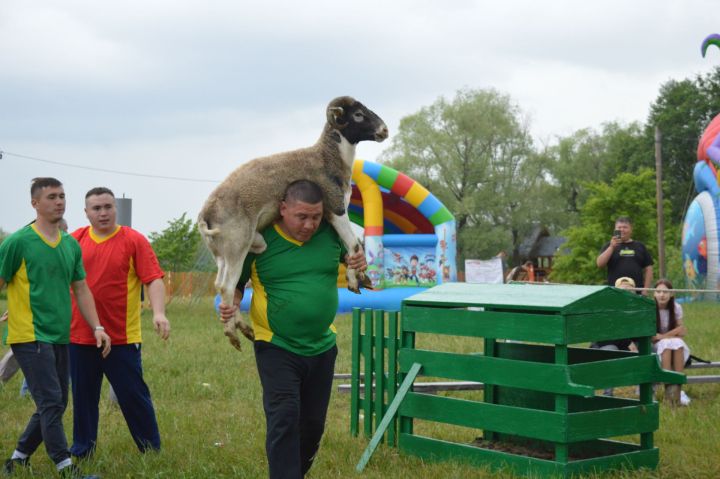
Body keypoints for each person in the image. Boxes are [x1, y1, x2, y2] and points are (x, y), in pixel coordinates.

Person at [219, 180, 366, 479]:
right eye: (301, 216)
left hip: (323, 346)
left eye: (315, 216)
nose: (309, 224)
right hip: (276, 345)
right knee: (284, 417)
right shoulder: (258, 243)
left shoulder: (332, 236)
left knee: (312, 426)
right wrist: (231, 304)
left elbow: (355, 264)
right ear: (282, 209)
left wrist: (360, 261)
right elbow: (234, 285)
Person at [0, 177, 110, 479]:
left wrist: (97, 326)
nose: (59, 201)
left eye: (62, 196)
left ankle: (17, 459)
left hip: (61, 334)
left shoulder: (70, 244)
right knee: (50, 400)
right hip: (29, 334)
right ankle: (65, 465)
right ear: (35, 203)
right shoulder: (18, 243)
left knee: (58, 401)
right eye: (51, 197)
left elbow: (81, 288)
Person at [68, 187, 170, 459]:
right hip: (80, 336)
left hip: (122, 338)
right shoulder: (74, 240)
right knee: (83, 399)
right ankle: (82, 452)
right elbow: (55, 280)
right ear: (86, 212)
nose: (103, 213)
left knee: (133, 396)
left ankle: (150, 449)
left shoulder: (133, 240)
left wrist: (159, 312)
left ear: (116, 209)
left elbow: (153, 279)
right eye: (96, 208)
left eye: (108, 207)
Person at [0, 219, 69, 394]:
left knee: (49, 373)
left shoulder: (64, 251)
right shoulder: (20, 246)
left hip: (54, 324)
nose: (65, 233)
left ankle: (29, 392)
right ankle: (26, 391)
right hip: (30, 326)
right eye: (63, 229)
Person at [653, 279, 691, 406]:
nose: (662, 295)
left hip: (670, 343)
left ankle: (678, 390)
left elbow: (682, 331)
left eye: (665, 292)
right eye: (658, 291)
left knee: (676, 343)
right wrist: (669, 335)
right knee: (668, 344)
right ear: (654, 294)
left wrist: (663, 336)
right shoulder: (650, 308)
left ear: (672, 294)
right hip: (656, 346)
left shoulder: (676, 307)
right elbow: (651, 337)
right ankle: (669, 389)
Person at [596, 216, 653, 296]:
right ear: (615, 230)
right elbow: (599, 264)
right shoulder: (609, 245)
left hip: (637, 292)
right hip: (614, 292)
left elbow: (649, 268)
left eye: (625, 227)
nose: (622, 230)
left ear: (631, 229)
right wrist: (612, 247)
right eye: (619, 227)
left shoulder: (640, 246)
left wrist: (646, 289)